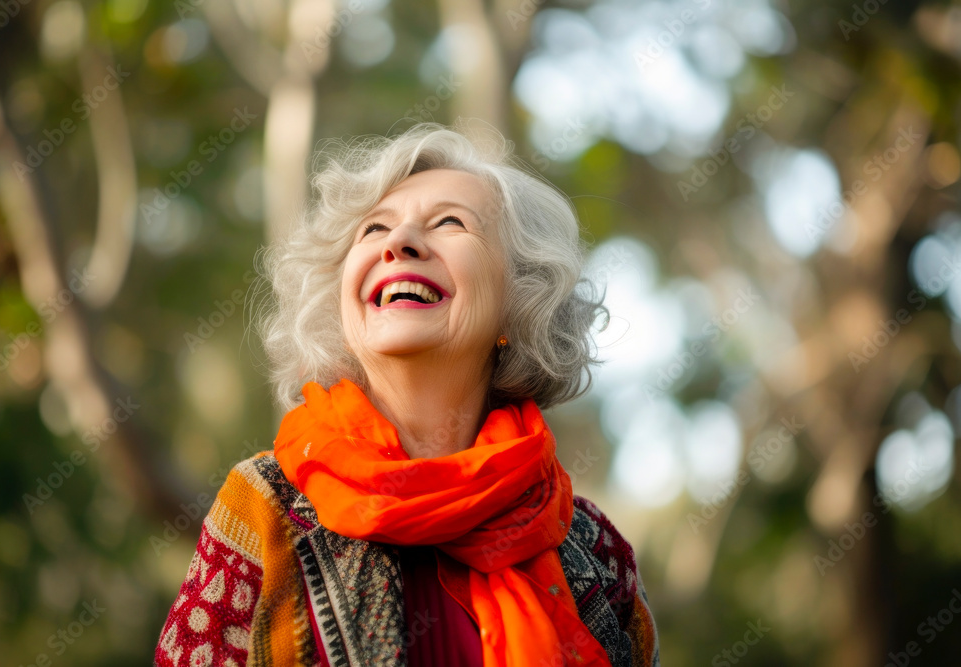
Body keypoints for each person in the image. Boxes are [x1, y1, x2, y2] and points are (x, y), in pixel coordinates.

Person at [154, 122, 659, 667]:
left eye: (450, 222)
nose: (399, 243)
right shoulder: (264, 506)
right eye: (374, 229)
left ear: (519, 302)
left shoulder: (593, 549)